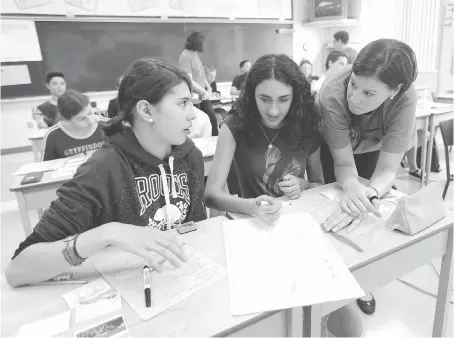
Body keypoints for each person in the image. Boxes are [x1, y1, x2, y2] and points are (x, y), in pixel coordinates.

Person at [5, 58, 207, 288]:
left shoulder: (190, 157)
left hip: (179, 283)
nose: (193, 114)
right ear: (146, 110)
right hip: (126, 290)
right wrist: (107, 233)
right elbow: (17, 270)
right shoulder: (103, 169)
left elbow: (196, 229)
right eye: (182, 103)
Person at [319, 39, 418, 315]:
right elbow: (342, 162)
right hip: (336, 150)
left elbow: (387, 170)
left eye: (368, 93)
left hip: (373, 150)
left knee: (364, 212)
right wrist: (351, 186)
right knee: (335, 207)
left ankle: (363, 280)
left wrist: (370, 192)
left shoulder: (405, 98)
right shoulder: (332, 92)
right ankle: (332, 275)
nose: (354, 98)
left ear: (394, 90)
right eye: (353, 85)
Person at [205, 54, 324, 224]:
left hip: (296, 222)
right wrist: (250, 206)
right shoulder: (235, 125)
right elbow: (211, 195)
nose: (273, 111)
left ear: (295, 97)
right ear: (252, 95)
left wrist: (303, 185)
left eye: (283, 99)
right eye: (264, 99)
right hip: (252, 223)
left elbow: (319, 184)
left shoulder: (306, 124)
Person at [42, 89, 105, 161]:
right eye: (81, 119)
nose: (90, 121)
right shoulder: (53, 136)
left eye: (90, 113)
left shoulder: (108, 125)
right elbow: (47, 168)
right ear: (67, 120)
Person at [178, 32, 218, 136]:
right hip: (194, 97)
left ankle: (213, 144)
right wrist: (203, 91)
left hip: (202, 95)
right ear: (197, 43)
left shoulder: (194, 54)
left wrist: (208, 87)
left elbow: (201, 74)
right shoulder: (185, 56)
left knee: (212, 119)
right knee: (197, 126)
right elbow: (189, 79)